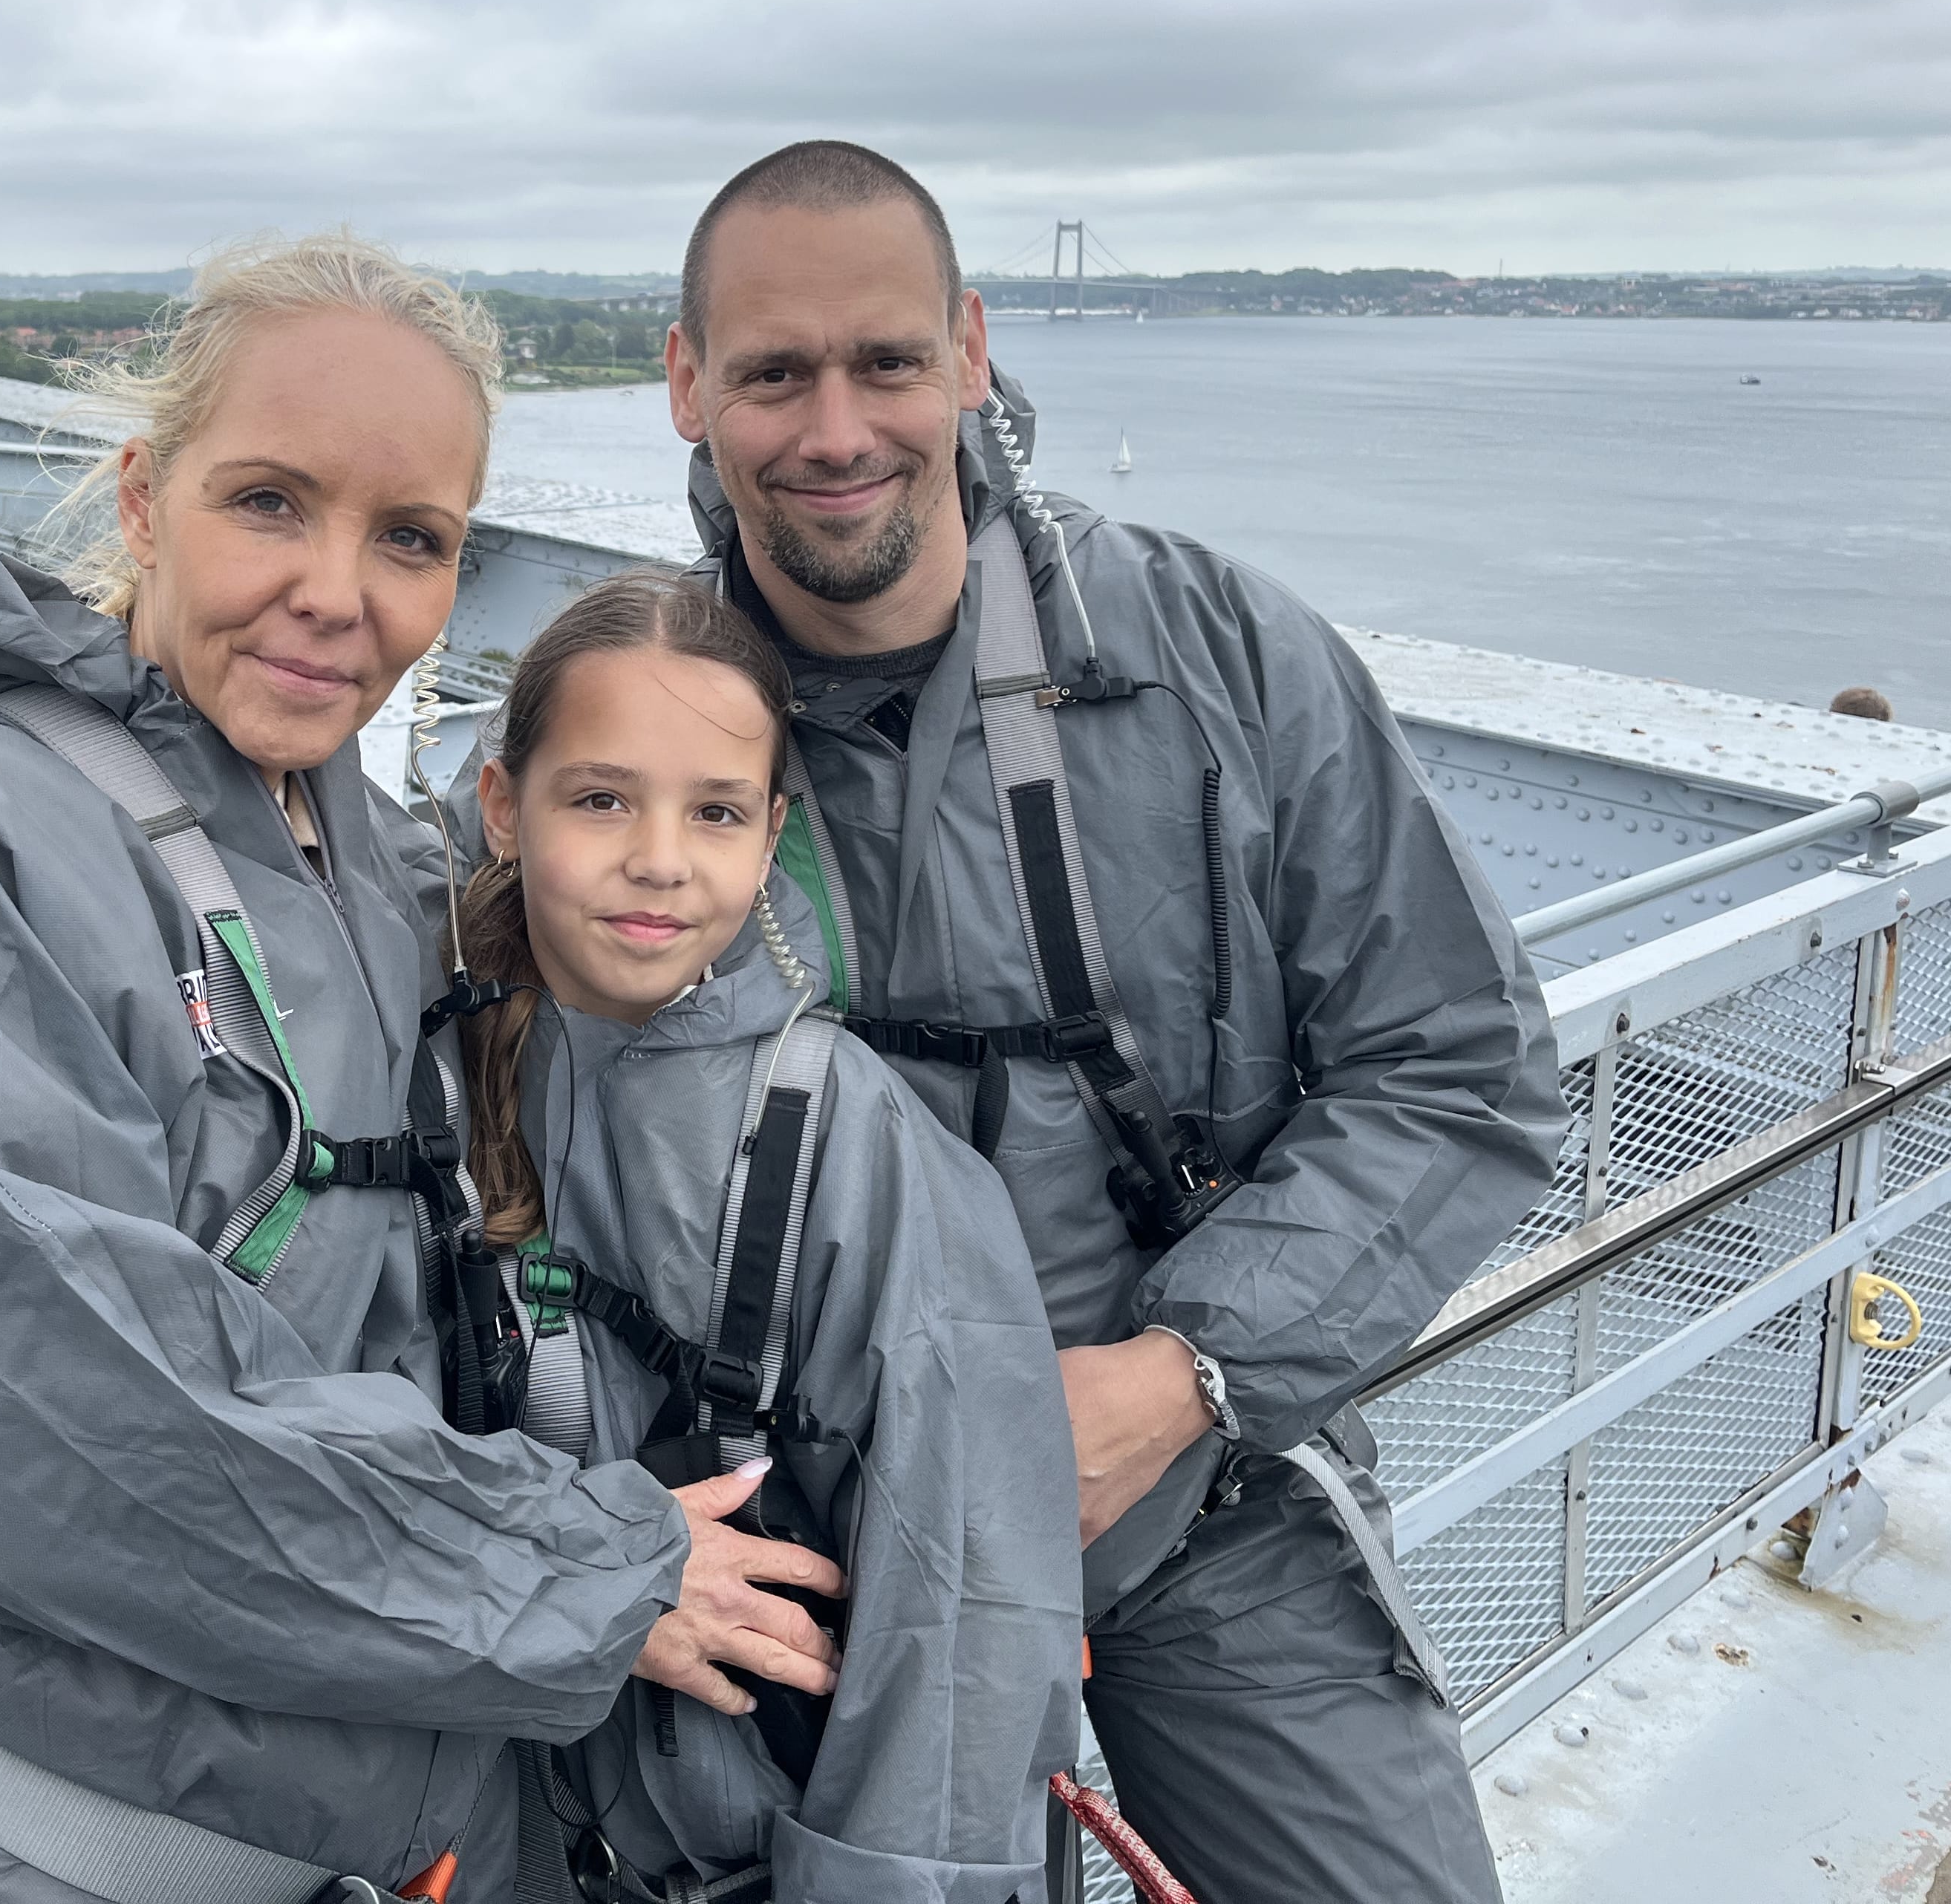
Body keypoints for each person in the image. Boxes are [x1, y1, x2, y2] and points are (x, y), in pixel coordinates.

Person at [0, 235, 847, 1903]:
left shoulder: (375, 863)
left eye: (411, 538)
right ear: (140, 499)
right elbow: (69, 1418)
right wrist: (591, 1576)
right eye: (270, 501)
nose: (338, 592)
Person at [661, 143, 1567, 1903]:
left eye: (890, 363)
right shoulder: (637, 725)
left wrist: (1181, 1379)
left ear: (973, 354)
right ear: (690, 385)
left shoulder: (1219, 651)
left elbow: (1460, 1060)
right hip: (793, 1556)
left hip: (1188, 1505)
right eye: (773, 373)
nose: (837, 428)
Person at [452, 571, 1079, 1900]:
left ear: (772, 833)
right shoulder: (432, 1062)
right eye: (602, 797)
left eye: (717, 812)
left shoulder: (846, 1137)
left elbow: (961, 1594)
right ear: (505, 808)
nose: (662, 858)